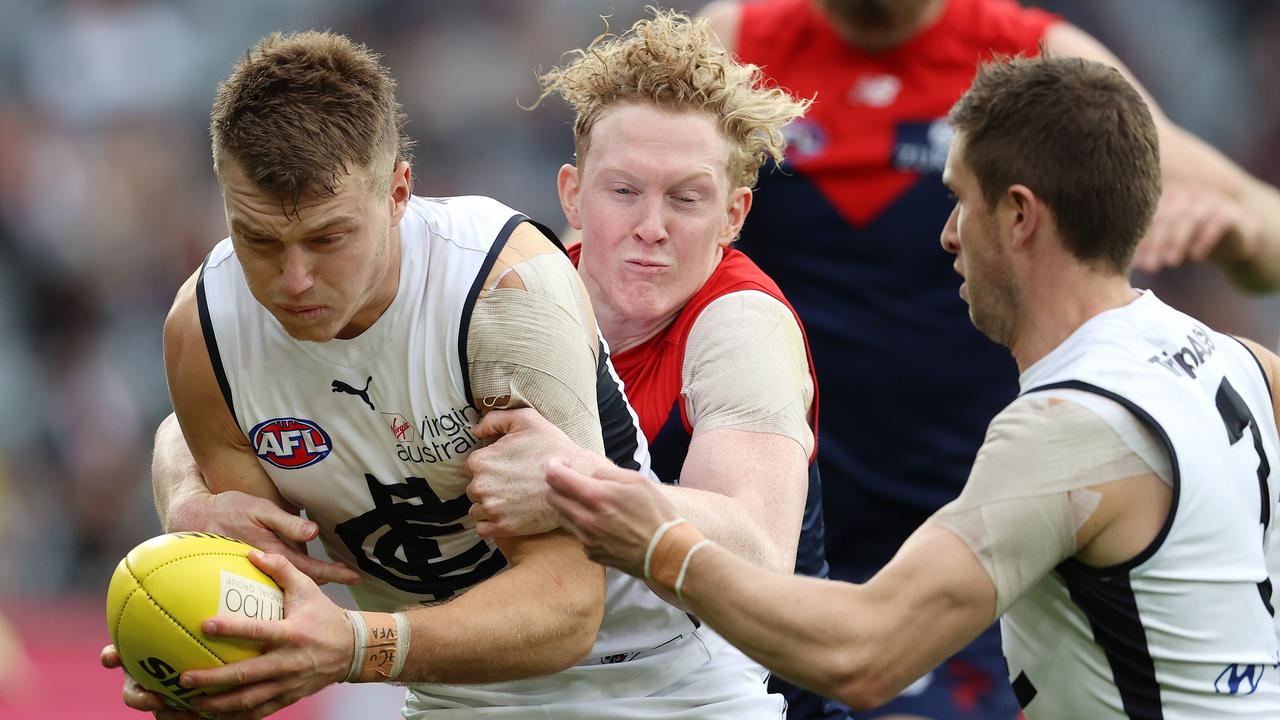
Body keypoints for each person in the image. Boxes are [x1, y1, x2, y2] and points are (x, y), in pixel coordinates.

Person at [544, 53, 1280, 719]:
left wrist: (653, 539)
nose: (947, 234)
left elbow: (864, 656)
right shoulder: (1240, 361)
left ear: (1020, 216)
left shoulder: (1071, 428)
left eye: (959, 199)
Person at [102, 29, 784, 719]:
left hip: (662, 688)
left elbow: (567, 611)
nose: (295, 279)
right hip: (446, 696)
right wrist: (191, 657)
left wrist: (355, 647)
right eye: (259, 240)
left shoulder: (503, 291)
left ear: (399, 192)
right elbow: (267, 587)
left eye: (328, 238)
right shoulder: (204, 328)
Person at [462, 10, 837, 717]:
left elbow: (756, 551)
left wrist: (573, 488)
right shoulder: (510, 298)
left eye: (687, 199)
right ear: (572, 194)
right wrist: (188, 476)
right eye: (624, 191)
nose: (651, 227)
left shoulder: (741, 324)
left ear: (734, 215)